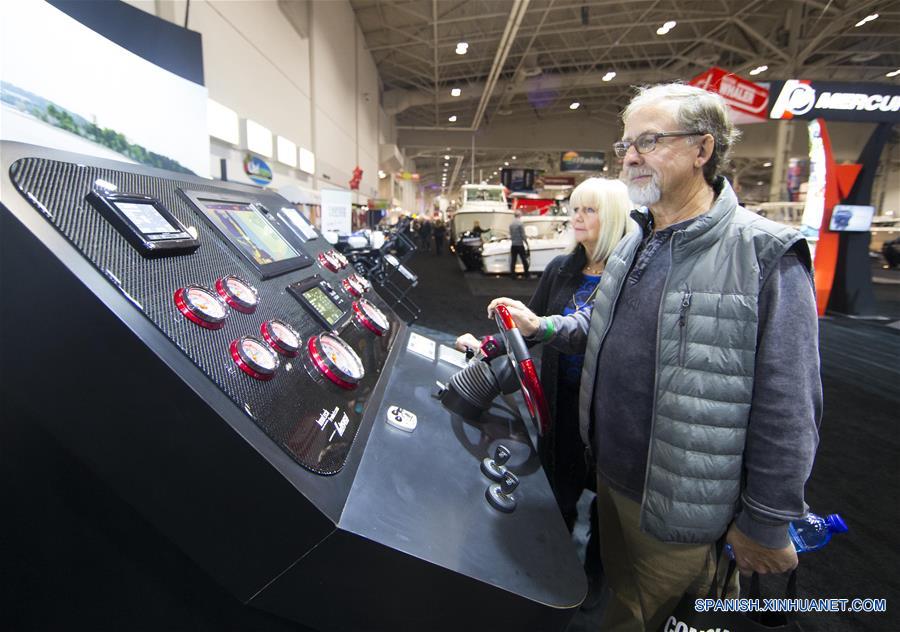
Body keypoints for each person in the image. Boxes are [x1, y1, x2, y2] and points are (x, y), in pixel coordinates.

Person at [489, 83, 821, 631]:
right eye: (625, 144)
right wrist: (543, 325)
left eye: (649, 140)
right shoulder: (636, 240)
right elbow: (604, 328)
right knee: (620, 601)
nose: (631, 156)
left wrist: (766, 521)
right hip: (615, 480)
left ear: (703, 150)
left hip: (681, 508)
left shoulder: (762, 253)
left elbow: (790, 405)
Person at [456, 177, 636, 608]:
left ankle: (594, 578)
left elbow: (571, 328)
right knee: (560, 492)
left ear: (611, 217)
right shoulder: (561, 269)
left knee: (608, 510)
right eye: (575, 208)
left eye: (588, 210)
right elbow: (530, 328)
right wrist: (488, 346)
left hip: (612, 413)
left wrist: (536, 326)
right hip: (560, 402)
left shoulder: (631, 276)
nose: (575, 217)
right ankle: (556, 570)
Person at [508, 210, 529, 277]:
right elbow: (523, 235)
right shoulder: (520, 223)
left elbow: (511, 234)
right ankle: (526, 273)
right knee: (524, 259)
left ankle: (513, 274)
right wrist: (527, 243)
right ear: (520, 215)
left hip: (513, 244)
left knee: (513, 260)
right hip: (519, 244)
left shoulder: (511, 224)